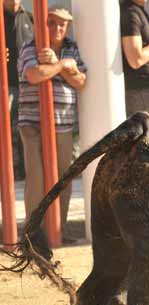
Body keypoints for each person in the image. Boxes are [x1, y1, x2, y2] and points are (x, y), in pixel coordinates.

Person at [17, 7, 86, 239]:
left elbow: (81, 81)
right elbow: (33, 75)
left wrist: (59, 64)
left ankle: (58, 229)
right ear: (43, 25)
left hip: (63, 123)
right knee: (36, 179)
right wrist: (62, 65)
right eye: (52, 23)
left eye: (62, 24)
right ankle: (32, 234)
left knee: (63, 178)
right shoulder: (30, 47)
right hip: (32, 123)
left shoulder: (71, 47)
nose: (57, 28)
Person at [3, 0, 33, 180]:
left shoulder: (29, 17)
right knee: (5, 130)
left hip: (28, 85)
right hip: (5, 85)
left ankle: (24, 170)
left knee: (26, 128)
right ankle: (9, 172)